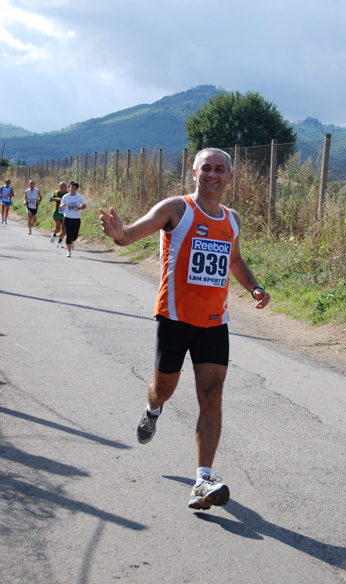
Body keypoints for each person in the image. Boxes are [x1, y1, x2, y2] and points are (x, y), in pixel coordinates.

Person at [99, 148, 270, 510]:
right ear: (194, 173)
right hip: (174, 319)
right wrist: (119, 233)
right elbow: (131, 234)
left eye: (220, 169)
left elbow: (234, 260)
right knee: (164, 390)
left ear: (230, 177)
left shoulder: (232, 219)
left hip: (213, 324)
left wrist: (253, 287)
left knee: (212, 395)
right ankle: (152, 407)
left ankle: (203, 480)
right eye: (206, 168)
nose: (212, 174)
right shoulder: (176, 209)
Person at [59, 181, 86, 257]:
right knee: (68, 233)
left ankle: (72, 241)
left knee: (75, 236)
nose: (72, 189)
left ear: (76, 189)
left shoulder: (79, 197)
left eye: (74, 188)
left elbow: (84, 206)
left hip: (76, 218)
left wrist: (79, 208)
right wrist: (62, 205)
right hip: (67, 217)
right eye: (71, 187)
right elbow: (61, 206)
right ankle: (68, 251)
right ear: (69, 188)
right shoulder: (65, 197)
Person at [49, 182, 67, 247]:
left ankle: (59, 242)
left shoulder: (68, 194)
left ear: (66, 187)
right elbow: (50, 199)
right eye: (60, 187)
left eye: (62, 187)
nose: (61, 189)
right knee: (57, 229)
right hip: (57, 213)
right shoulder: (57, 193)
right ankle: (54, 234)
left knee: (64, 230)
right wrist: (57, 199)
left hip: (66, 214)